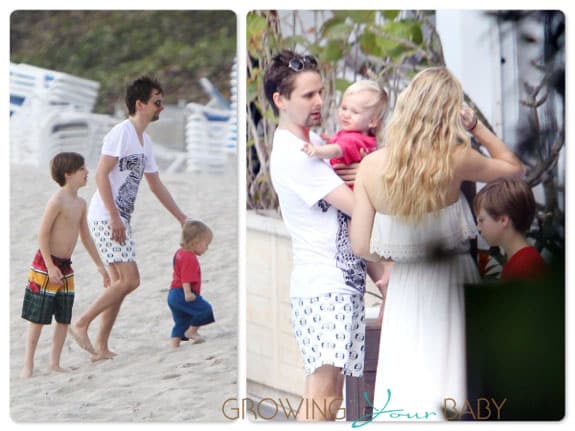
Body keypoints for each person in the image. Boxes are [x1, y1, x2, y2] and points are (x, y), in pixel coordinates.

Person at [350, 66, 525, 420]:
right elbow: (514, 168)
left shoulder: (370, 166)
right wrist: (475, 127)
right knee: (452, 381)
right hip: (450, 281)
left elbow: (360, 245)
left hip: (406, 285)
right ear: (449, 112)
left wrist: (397, 258)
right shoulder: (454, 158)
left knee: (408, 381)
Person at [264, 50, 388, 421]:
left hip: (337, 285)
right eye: (307, 95)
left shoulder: (317, 141)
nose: (320, 102)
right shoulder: (298, 154)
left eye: (320, 92)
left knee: (326, 395)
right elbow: (357, 207)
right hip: (324, 287)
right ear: (280, 100)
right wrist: (368, 181)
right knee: (325, 396)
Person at [70, 76, 187, 361]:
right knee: (130, 280)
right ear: (140, 104)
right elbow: (100, 174)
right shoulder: (121, 133)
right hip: (106, 216)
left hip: (120, 217)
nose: (161, 107)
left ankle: (100, 346)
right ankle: (81, 322)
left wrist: (182, 218)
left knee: (118, 282)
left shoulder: (144, 141)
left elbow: (155, 184)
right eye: (157, 102)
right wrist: (114, 217)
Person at [21, 152, 110, 378]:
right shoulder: (57, 201)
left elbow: (85, 236)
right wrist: (50, 266)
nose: (87, 172)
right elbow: (42, 234)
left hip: (66, 266)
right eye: (82, 169)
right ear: (68, 174)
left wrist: (99, 265)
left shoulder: (81, 203)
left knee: (63, 317)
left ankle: (54, 362)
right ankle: (28, 366)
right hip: (46, 264)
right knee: (38, 317)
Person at [301, 79, 388, 190]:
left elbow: (337, 150)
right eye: (344, 108)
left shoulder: (352, 139)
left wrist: (316, 150)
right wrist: (331, 140)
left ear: (372, 121)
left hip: (346, 192)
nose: (346, 114)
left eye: (355, 112)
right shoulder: (366, 138)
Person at [473, 177, 545, 281]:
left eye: (481, 220)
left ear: (503, 220)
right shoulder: (521, 261)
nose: (478, 227)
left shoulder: (524, 268)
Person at [167, 220, 215, 348]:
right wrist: (188, 293)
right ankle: (191, 332)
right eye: (206, 244)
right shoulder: (189, 257)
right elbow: (186, 277)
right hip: (182, 292)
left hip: (173, 294)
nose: (207, 248)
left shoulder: (180, 253)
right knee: (205, 310)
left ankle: (174, 345)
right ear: (195, 241)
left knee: (182, 321)